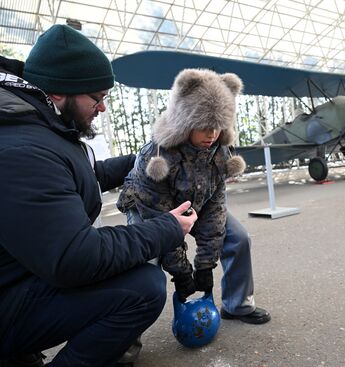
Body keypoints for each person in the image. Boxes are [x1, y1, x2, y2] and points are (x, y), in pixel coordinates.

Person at [0, 24, 198, 367]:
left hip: (20, 276)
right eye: (97, 97)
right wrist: (167, 228)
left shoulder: (38, 123)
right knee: (144, 288)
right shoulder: (22, 149)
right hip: (10, 299)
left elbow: (81, 177)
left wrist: (148, 160)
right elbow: (75, 258)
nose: (103, 108)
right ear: (60, 93)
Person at [115, 68, 270, 366]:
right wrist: (183, 273)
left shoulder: (221, 151)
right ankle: (122, 339)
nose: (211, 135)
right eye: (203, 126)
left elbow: (214, 210)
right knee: (141, 261)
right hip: (150, 209)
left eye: (217, 126)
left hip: (195, 203)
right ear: (184, 121)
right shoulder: (155, 157)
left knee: (238, 239)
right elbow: (160, 222)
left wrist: (204, 266)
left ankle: (237, 305)